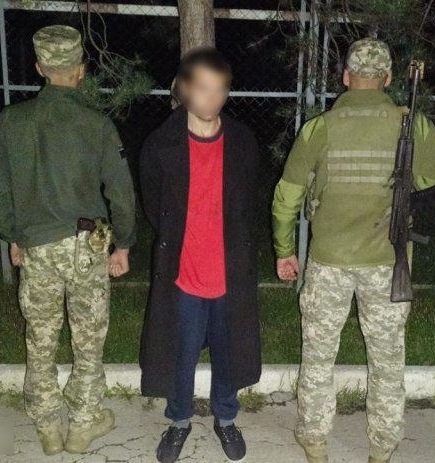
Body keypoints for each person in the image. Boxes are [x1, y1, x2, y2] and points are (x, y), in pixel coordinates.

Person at [271, 38, 435, 463]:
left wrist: (284, 249)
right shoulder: (414, 126)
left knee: (318, 356)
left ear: (346, 77)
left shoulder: (319, 128)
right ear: (387, 78)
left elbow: (286, 197)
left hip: (328, 261)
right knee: (387, 360)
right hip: (387, 262)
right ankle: (382, 446)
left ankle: (315, 441)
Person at [0, 25, 137, 456]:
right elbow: (121, 192)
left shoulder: (12, 121)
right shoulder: (96, 124)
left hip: (36, 246)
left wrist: (14, 235)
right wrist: (124, 243)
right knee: (88, 338)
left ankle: (48, 426)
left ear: (39, 68)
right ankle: (83, 425)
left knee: (41, 337)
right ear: (81, 70)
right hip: (87, 247)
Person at [137, 47, 261, 463]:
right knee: (180, 353)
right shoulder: (161, 143)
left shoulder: (242, 141)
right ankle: (179, 421)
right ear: (185, 87)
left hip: (230, 273)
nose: (213, 99)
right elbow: (154, 206)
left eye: (221, 89)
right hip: (184, 274)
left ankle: (226, 418)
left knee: (229, 351)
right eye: (204, 88)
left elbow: (249, 202)